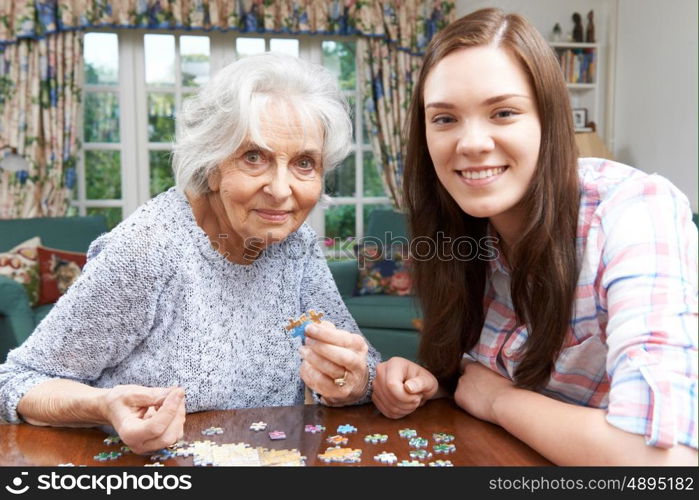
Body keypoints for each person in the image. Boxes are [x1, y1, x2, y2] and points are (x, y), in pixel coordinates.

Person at [0, 53, 380, 454]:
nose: (282, 190)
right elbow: (18, 379)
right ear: (212, 164)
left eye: (304, 163)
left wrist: (358, 379)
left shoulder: (296, 245)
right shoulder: (148, 249)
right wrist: (104, 405)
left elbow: (358, 363)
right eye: (254, 157)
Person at [371, 8, 697, 465]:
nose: (471, 143)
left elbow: (667, 464)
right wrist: (430, 381)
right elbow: (470, 372)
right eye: (445, 119)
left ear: (549, 120)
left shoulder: (634, 209)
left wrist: (500, 402)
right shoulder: (459, 231)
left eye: (503, 113)